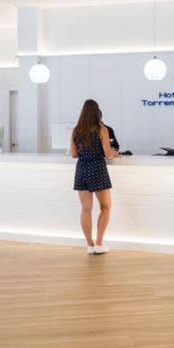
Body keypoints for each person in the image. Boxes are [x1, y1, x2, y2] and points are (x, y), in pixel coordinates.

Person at [70, 99, 119, 255]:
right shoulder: (101, 129)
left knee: (86, 209)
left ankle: (89, 245)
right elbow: (107, 153)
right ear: (97, 112)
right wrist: (114, 153)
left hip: (82, 169)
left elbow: (74, 154)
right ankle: (99, 243)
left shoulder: (76, 130)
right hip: (97, 168)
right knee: (106, 207)